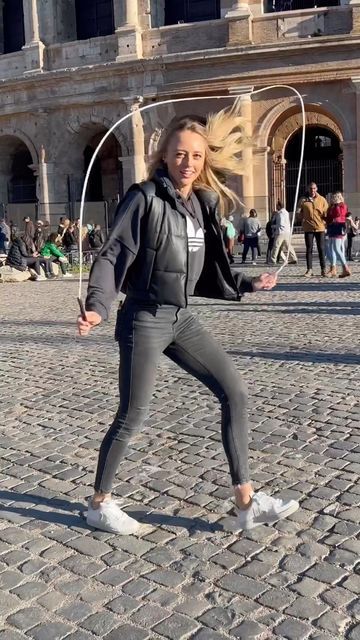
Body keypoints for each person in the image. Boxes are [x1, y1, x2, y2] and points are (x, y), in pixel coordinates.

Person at [77, 109, 299, 535]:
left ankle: (246, 503)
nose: (188, 163)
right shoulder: (144, 197)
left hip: (181, 318)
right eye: (180, 154)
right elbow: (112, 254)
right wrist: (98, 306)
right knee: (132, 414)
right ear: (165, 155)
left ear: (204, 160)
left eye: (196, 156)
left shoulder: (201, 205)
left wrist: (249, 283)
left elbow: (212, 265)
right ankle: (99, 503)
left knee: (234, 392)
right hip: (143, 318)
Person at [298, 182, 328, 277]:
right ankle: (309, 269)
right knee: (309, 249)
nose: (312, 190)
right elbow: (299, 212)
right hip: (308, 227)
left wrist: (325, 222)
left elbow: (326, 212)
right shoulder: (303, 200)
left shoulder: (322, 199)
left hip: (320, 228)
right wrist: (300, 217)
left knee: (321, 249)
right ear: (308, 189)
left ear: (317, 189)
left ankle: (323, 269)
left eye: (314, 188)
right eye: (311, 188)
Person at [326, 192, 350, 278]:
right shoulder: (331, 206)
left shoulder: (342, 205)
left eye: (336, 197)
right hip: (332, 227)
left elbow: (339, 215)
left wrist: (336, 206)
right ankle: (333, 268)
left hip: (339, 227)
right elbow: (329, 217)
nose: (334, 198)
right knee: (331, 248)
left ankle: (345, 268)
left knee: (337, 248)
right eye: (333, 197)